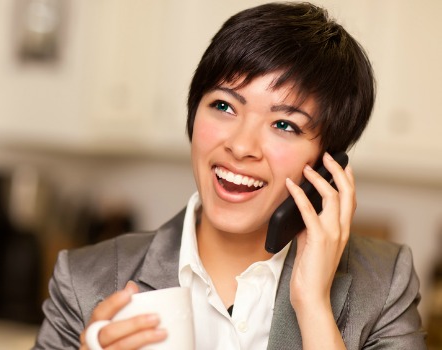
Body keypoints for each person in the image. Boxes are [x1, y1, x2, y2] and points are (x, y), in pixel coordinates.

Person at [33, 2, 426, 349]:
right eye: (223, 105)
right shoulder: (84, 281)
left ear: (328, 162)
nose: (241, 146)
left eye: (285, 125)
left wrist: (313, 306)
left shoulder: (383, 283)